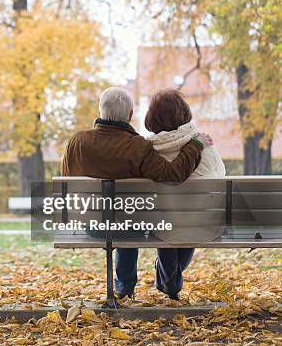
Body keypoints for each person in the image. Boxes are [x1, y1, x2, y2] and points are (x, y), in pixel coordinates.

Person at [61, 87, 214, 301]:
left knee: (121, 219)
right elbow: (172, 174)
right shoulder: (138, 147)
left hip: (89, 223)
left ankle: (124, 289)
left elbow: (67, 180)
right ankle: (127, 286)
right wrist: (195, 146)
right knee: (129, 219)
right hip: (129, 228)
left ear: (101, 111)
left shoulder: (77, 142)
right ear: (130, 115)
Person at [144, 88, 226, 299]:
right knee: (188, 219)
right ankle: (170, 284)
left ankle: (170, 284)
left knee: (169, 219)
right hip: (203, 222)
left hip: (165, 223)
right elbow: (220, 174)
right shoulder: (204, 143)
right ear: (184, 112)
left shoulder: (149, 149)